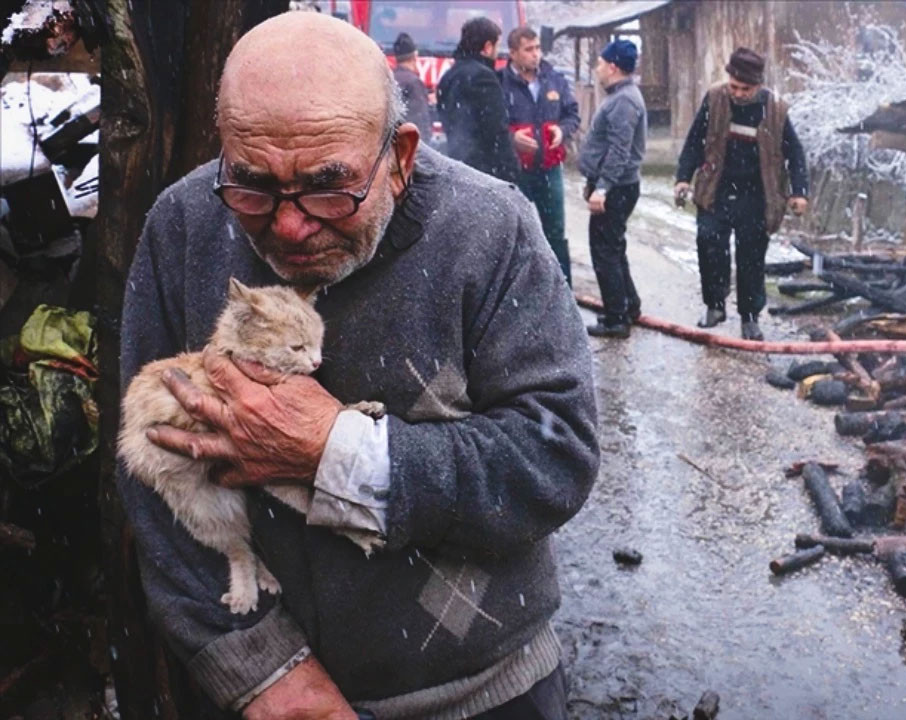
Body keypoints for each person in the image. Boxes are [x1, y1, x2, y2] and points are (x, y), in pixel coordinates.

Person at [117, 12, 597, 720]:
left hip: (483, 694)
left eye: (327, 185)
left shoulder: (491, 229)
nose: (288, 224)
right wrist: (257, 669)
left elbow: (555, 457)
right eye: (251, 184)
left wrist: (337, 453)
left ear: (400, 156)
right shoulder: (183, 226)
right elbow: (148, 479)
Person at [675, 47, 809, 341]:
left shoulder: (775, 110)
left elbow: (795, 154)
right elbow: (695, 140)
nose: (737, 93)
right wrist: (683, 178)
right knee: (709, 243)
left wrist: (799, 191)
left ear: (758, 85)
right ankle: (715, 305)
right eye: (733, 86)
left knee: (751, 258)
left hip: (757, 195)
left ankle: (750, 317)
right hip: (717, 190)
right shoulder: (715, 99)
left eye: (745, 89)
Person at [576, 39, 646, 338]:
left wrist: (602, 188)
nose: (597, 69)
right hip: (615, 185)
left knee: (604, 251)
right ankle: (628, 305)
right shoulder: (621, 96)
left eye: (601, 63)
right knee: (613, 247)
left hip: (616, 187)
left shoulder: (624, 101)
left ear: (613, 67)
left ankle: (617, 318)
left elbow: (620, 150)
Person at [500, 26, 580, 285]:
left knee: (555, 231)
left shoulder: (553, 78)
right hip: (516, 171)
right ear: (513, 53)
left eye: (537, 48)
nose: (535, 55)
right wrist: (512, 139)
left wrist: (562, 129)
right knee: (515, 232)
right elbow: (491, 126)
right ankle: (520, 289)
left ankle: (562, 288)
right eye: (528, 49)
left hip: (549, 168)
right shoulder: (500, 83)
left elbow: (572, 114)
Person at [436, 16, 518, 182]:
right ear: (487, 47)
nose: (497, 52)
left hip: (456, 166)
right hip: (484, 171)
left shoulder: (448, 76)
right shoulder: (484, 78)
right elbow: (496, 130)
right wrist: (511, 170)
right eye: (497, 46)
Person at [391, 32, 435, 138]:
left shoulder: (390, 78)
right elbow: (420, 119)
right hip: (409, 143)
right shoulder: (414, 82)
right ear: (415, 57)